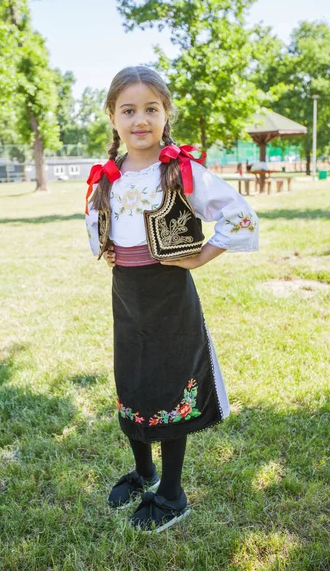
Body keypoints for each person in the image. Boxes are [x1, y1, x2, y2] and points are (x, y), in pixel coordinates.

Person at [85, 66, 259, 534]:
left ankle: (173, 492)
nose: (140, 119)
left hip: (168, 295)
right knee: (134, 379)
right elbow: (98, 222)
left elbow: (238, 215)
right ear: (113, 117)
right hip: (126, 295)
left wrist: (202, 256)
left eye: (150, 109)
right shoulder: (109, 174)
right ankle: (145, 472)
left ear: (165, 114)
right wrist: (106, 247)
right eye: (128, 110)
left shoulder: (179, 170)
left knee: (167, 381)